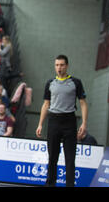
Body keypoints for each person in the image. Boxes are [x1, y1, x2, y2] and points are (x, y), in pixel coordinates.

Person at [36, 55, 88, 187]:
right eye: (57, 65)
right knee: (52, 157)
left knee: (70, 159)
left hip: (69, 122)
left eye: (62, 65)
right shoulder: (50, 83)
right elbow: (46, 104)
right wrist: (40, 124)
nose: (59, 68)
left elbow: (83, 103)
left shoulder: (76, 82)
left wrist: (84, 123)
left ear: (67, 66)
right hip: (53, 121)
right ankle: (50, 184)